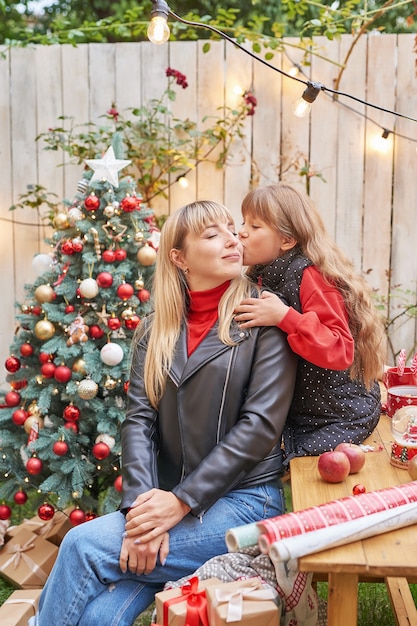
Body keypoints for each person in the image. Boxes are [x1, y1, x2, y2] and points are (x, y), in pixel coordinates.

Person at [29, 200, 297, 626]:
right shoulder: (156, 330)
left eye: (232, 229)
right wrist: (140, 513)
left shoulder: (264, 316)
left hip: (247, 504)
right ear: (179, 257)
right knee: (99, 616)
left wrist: (181, 502)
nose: (232, 239)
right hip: (162, 501)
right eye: (213, 234)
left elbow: (260, 426)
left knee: (83, 546)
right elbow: (139, 421)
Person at [234, 183, 386, 464]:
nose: (241, 231)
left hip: (338, 413)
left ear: (287, 240)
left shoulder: (310, 277)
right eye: (243, 222)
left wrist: (284, 317)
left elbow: (341, 350)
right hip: (303, 410)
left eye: (255, 226)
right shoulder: (263, 274)